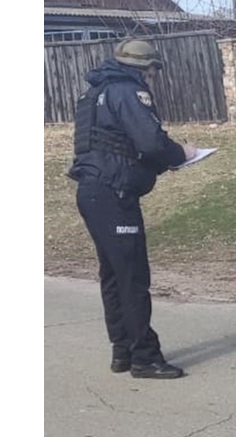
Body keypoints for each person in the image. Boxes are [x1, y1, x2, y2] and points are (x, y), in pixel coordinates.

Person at [67, 38, 201, 379]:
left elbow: (111, 146)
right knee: (132, 276)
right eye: (153, 71)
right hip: (115, 194)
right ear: (145, 68)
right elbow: (150, 141)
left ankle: (122, 351)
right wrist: (180, 155)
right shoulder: (127, 92)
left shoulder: (93, 94)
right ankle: (144, 357)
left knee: (113, 274)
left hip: (93, 191)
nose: (153, 78)